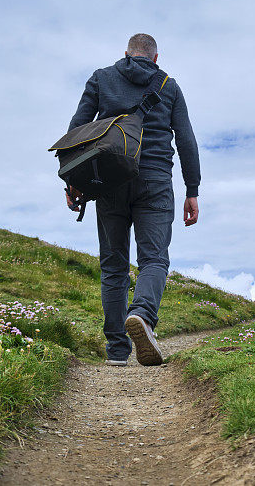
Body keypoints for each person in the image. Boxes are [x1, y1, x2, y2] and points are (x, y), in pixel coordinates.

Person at [66, 33, 200, 366]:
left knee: (113, 265)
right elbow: (186, 141)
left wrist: (74, 183)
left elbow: (76, 131)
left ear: (126, 54)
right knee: (154, 258)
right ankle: (141, 315)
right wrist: (192, 190)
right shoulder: (168, 85)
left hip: (110, 179)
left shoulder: (102, 78)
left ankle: (116, 350)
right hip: (155, 180)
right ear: (155, 58)